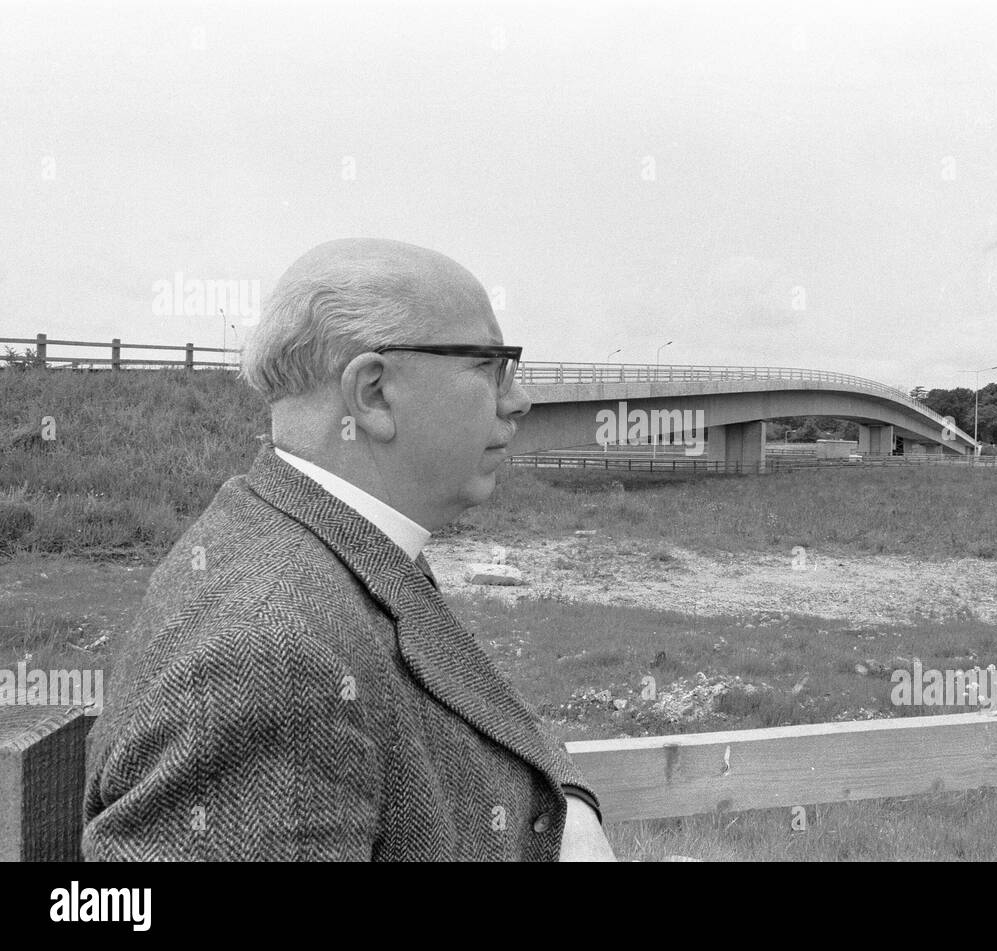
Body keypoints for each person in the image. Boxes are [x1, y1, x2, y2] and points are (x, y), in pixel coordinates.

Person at [83, 238, 615, 861]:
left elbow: (483, 726)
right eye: (490, 365)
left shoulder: (334, 541)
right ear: (374, 394)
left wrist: (567, 810)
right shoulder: (270, 652)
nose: (518, 399)